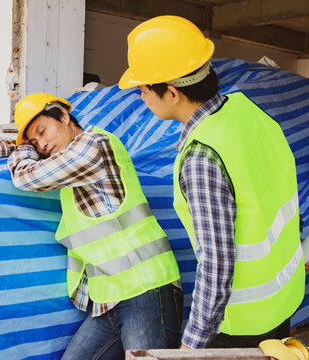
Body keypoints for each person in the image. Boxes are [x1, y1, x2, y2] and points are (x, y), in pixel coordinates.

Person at [118, 15, 304, 349]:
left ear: (171, 92)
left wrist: (192, 345)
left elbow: (217, 265)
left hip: (242, 323)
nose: (141, 97)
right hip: (284, 299)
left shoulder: (202, 157)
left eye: (143, 88)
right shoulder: (249, 112)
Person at [0, 93, 183, 358]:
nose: (42, 145)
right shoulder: (68, 159)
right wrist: (2, 146)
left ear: (64, 116)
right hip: (108, 300)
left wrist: (19, 147)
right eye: (34, 141)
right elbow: (41, 154)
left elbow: (27, 176)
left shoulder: (94, 146)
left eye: (43, 131)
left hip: (146, 290)